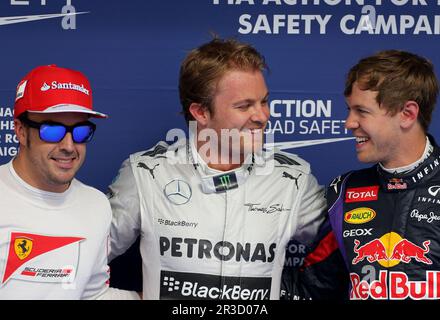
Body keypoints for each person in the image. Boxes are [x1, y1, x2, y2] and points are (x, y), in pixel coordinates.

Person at [108, 37, 326, 300]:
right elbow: (79, 260)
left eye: (264, 102)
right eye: (244, 106)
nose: (261, 116)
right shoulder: (147, 173)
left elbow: (352, 255)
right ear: (201, 112)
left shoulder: (292, 179)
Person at [303, 50, 440, 300]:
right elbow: (314, 288)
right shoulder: (344, 191)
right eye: (349, 110)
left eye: (361, 111)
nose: (349, 123)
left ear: (407, 114)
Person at [0, 65, 138, 299]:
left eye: (80, 131)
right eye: (52, 130)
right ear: (21, 131)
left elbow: (92, 295)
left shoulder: (96, 205)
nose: (68, 145)